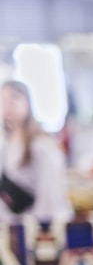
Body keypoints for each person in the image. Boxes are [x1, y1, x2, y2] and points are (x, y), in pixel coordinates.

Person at [0, 79, 73, 223]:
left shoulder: (42, 145)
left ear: (27, 102)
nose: (8, 105)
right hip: (12, 224)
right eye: (3, 100)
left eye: (14, 98)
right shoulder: (4, 144)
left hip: (39, 227)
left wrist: (40, 227)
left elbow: (50, 195)